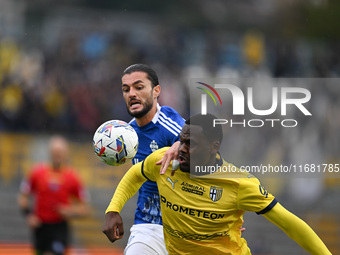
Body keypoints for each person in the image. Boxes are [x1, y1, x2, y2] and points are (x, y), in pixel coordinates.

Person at [102, 113, 331, 254]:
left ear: (214, 147)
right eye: (181, 140)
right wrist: (113, 209)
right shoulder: (166, 162)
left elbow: (290, 223)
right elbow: (136, 173)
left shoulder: (240, 184)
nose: (181, 148)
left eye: (191, 143)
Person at [118, 63, 185, 254]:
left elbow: (207, 158)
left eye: (139, 87)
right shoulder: (127, 135)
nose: (131, 93)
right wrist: (113, 210)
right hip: (148, 227)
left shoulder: (172, 126)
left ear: (156, 91)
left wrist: (183, 144)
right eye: (126, 89)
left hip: (185, 228)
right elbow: (134, 177)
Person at [18, 135, 89, 255]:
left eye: (60, 152)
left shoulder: (73, 177)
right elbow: (23, 196)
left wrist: (70, 211)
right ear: (50, 152)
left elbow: (85, 208)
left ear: (66, 154)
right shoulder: (37, 172)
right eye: (55, 152)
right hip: (40, 226)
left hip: (59, 227)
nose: (58, 155)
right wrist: (29, 215)